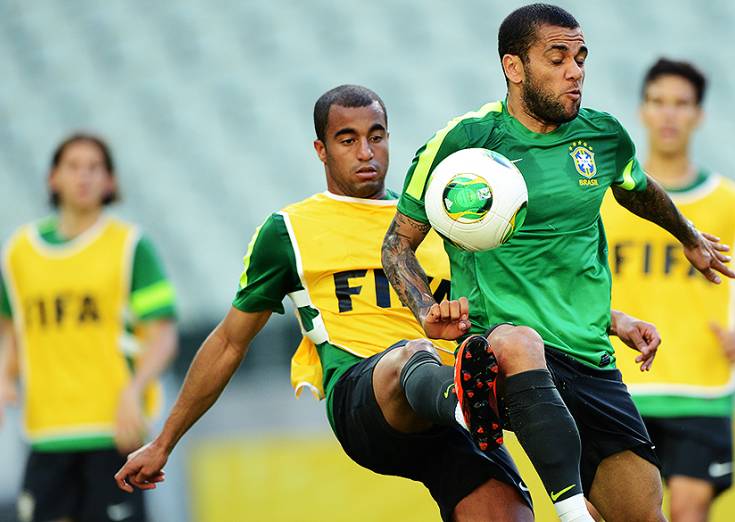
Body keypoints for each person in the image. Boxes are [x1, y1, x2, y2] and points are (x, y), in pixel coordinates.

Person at [381, 4, 735, 522]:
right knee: (519, 356)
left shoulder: (602, 136)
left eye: (580, 57)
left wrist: (686, 236)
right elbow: (396, 245)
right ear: (514, 67)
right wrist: (422, 308)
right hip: (505, 354)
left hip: (589, 356)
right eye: (557, 58)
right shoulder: (463, 144)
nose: (575, 71)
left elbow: (636, 187)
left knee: (641, 512)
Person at [113, 85, 535, 522]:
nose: (366, 152)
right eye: (347, 139)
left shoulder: (439, 220)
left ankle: (467, 409)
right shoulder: (289, 231)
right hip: (364, 398)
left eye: (377, 135)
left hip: (449, 404)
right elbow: (228, 343)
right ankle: (464, 404)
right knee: (413, 352)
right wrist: (163, 442)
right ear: (321, 149)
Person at [601, 58, 735, 522]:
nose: (669, 114)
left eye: (681, 104)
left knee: (688, 510)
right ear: (642, 111)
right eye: (658, 102)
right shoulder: (605, 197)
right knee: (608, 511)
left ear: (699, 115)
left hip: (700, 388)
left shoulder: (732, 204)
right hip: (617, 383)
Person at [0, 133, 178, 522]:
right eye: (74, 166)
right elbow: (10, 326)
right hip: (46, 433)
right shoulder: (19, 252)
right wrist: (4, 377)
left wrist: (135, 389)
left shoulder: (131, 246)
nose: (84, 176)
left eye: (95, 167)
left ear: (110, 182)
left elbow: (162, 336)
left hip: (114, 433)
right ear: (53, 178)